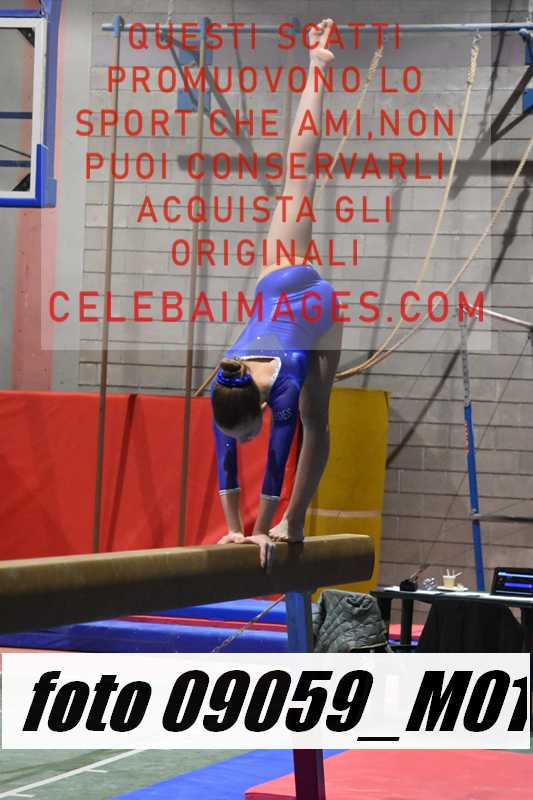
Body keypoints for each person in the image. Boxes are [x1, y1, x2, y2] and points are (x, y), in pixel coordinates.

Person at [211, 19, 342, 566]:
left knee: (312, 421)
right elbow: (232, 457)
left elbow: (271, 465)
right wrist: (236, 531)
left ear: (262, 406)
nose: (244, 439)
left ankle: (293, 520)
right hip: (288, 283)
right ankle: (317, 66)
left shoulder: (278, 384)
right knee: (298, 173)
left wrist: (258, 530)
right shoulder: (227, 383)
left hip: (313, 310)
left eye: (248, 432)